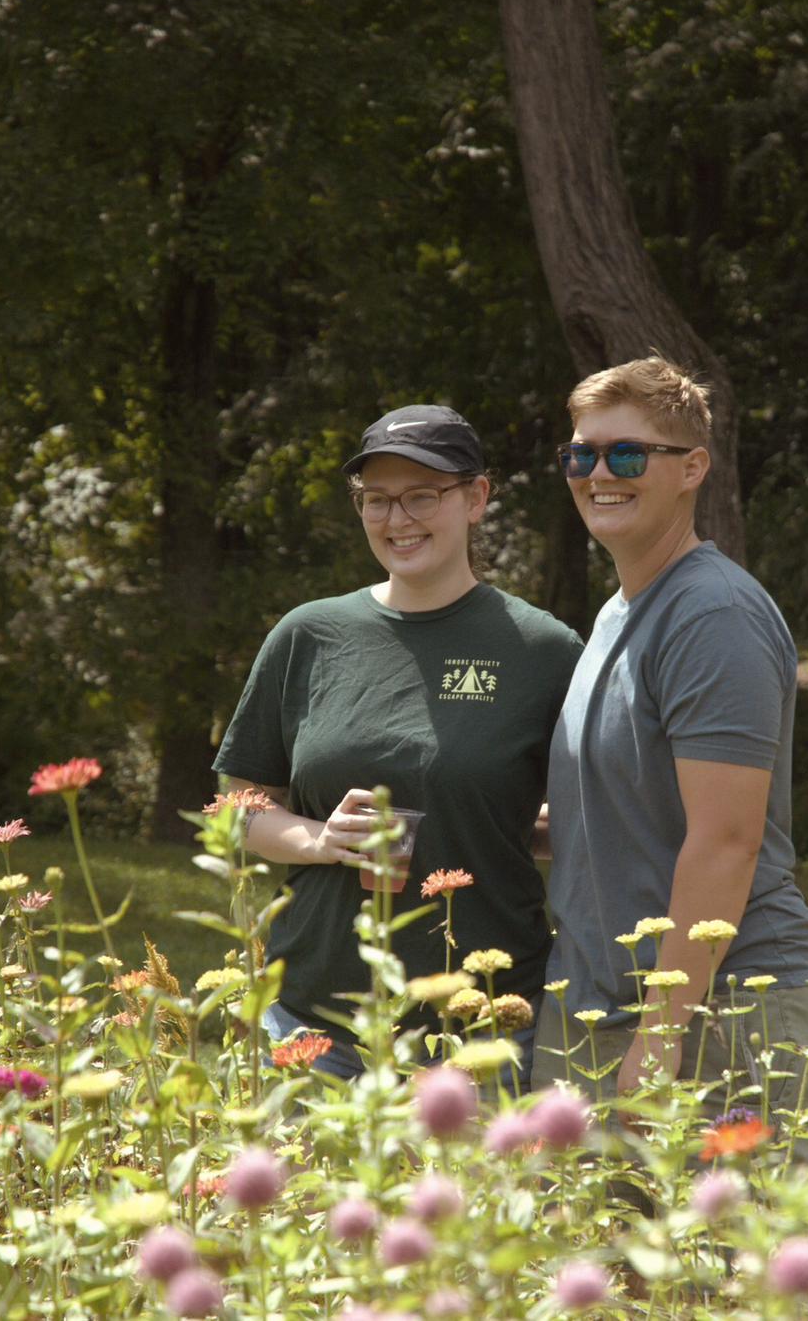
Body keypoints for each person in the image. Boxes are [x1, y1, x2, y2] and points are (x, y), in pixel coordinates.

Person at [213, 405, 583, 1083]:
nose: (397, 519)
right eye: (376, 500)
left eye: (421, 496)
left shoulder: (543, 651)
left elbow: (587, 821)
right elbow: (238, 807)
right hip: (310, 1020)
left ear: (476, 499)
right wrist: (320, 840)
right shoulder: (308, 636)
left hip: (482, 1027)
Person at [532, 357, 808, 1153]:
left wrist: (662, 1038)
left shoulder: (712, 614)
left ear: (692, 468)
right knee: (598, 1275)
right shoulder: (614, 616)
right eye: (581, 454)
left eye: (627, 454)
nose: (598, 472)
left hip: (721, 1013)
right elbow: (641, 807)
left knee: (726, 1278)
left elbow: (726, 842)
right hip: (600, 1012)